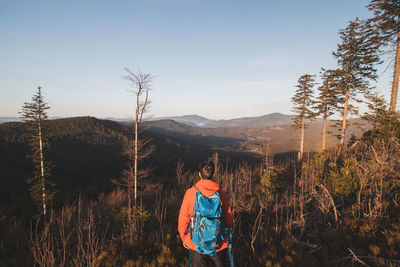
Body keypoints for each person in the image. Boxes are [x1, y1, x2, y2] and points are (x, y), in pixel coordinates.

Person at [178, 160, 233, 267]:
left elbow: (183, 218)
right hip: (218, 243)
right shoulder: (221, 193)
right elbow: (228, 217)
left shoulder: (191, 193)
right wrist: (225, 236)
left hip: (196, 243)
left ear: (199, 174)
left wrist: (185, 238)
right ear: (213, 174)